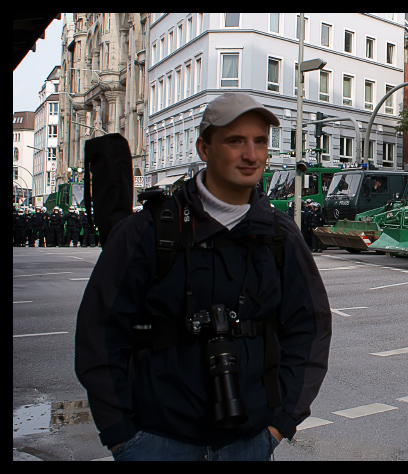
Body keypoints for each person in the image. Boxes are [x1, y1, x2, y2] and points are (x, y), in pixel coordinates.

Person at [75, 92, 332, 461]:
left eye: (260, 141)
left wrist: (281, 422)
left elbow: (310, 328)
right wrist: (120, 434)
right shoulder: (147, 230)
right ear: (203, 148)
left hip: (250, 442)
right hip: (156, 440)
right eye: (235, 141)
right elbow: (99, 332)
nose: (251, 155)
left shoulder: (280, 235)